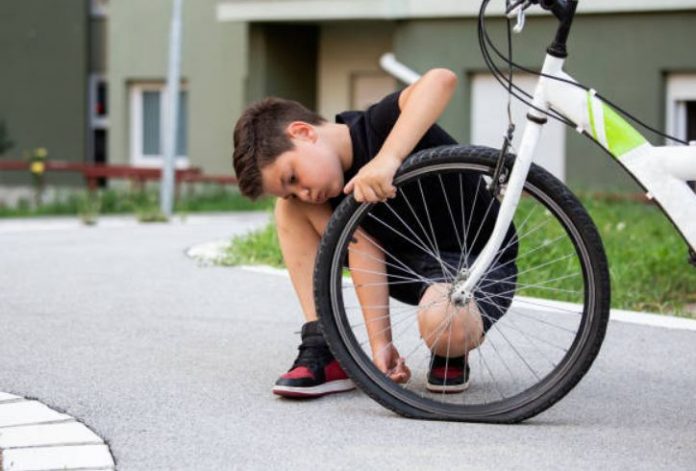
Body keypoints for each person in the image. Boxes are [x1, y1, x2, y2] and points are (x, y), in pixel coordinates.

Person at [232, 68, 518, 398]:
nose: (303, 192)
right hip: (405, 267)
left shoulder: (377, 126)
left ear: (303, 133)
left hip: (473, 261)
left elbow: (441, 79)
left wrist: (389, 158)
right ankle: (325, 347)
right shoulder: (326, 191)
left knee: (444, 323)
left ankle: (450, 348)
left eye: (293, 177)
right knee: (289, 210)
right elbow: (363, 247)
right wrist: (381, 345)